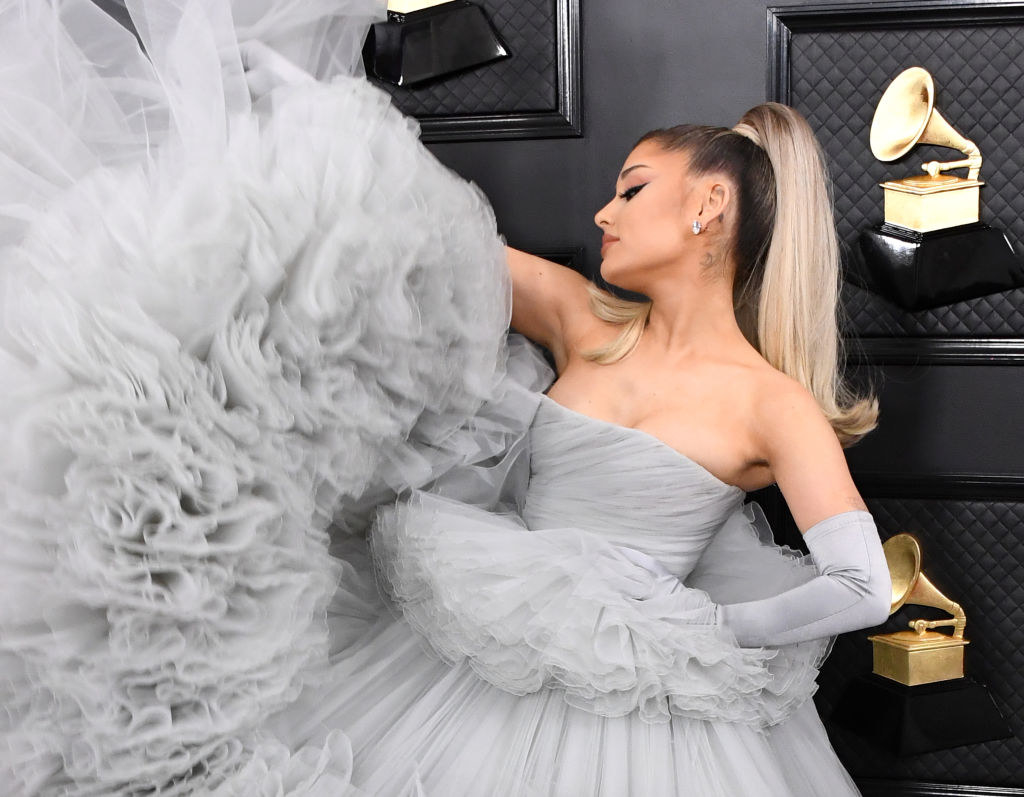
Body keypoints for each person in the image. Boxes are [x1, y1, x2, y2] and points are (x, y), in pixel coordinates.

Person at [0, 1, 891, 794]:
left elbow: (860, 586)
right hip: (484, 649)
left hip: (652, 708)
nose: (604, 214)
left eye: (631, 189)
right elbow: (395, 235)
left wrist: (700, 623)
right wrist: (277, 139)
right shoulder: (586, 320)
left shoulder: (772, 404)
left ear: (708, 206)